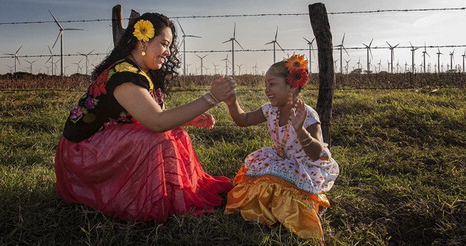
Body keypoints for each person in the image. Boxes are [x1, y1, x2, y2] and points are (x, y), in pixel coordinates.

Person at [55, 12, 235, 221]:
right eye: (164, 44)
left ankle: (172, 195)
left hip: (103, 143)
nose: (167, 52)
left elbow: (144, 115)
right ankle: (147, 199)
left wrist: (186, 120)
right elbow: (156, 122)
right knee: (159, 141)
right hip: (83, 155)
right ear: (143, 42)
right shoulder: (124, 76)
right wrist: (212, 97)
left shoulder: (139, 72)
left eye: (169, 46)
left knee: (177, 134)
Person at [223, 54, 339, 240]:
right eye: (265, 85)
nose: (266, 90)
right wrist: (231, 102)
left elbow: (316, 153)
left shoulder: (307, 115)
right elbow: (244, 120)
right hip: (282, 159)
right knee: (257, 179)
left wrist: (300, 130)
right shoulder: (270, 109)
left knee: (273, 183)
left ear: (291, 85)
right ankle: (267, 210)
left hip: (305, 167)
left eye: (271, 84)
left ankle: (285, 211)